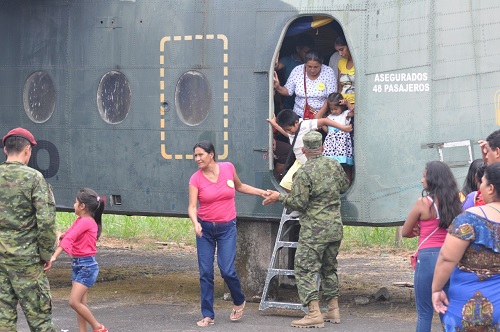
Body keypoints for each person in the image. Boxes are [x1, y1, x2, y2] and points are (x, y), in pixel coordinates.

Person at [263, 131, 350, 328]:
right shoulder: (334, 165)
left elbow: (299, 203)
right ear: (323, 148)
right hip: (335, 227)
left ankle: (313, 313)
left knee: (304, 269)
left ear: (303, 150)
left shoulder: (303, 173)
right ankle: (333, 310)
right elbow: (344, 186)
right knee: (329, 268)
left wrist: (279, 197)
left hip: (314, 231)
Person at [188, 141, 268, 327]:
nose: (197, 159)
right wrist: (195, 224)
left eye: (201, 155)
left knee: (227, 269)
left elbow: (239, 187)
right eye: (195, 156)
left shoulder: (228, 168)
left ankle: (239, 300)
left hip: (227, 228)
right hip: (205, 230)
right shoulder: (195, 179)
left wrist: (261, 192)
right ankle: (208, 315)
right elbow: (192, 207)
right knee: (205, 272)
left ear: (212, 154)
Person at [0, 127, 57, 332]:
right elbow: (46, 220)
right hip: (27, 261)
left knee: (3, 321)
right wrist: (45, 254)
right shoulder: (34, 178)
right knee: (40, 320)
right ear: (27, 150)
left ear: (6, 150)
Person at [432, 162, 500, 330]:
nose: (480, 187)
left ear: (491, 188)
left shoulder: (469, 219)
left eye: (482, 182)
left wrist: (436, 289)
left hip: (467, 307)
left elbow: (447, 258)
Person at [402, 161, 462, 332]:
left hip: (428, 258)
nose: (422, 180)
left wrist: (419, 229)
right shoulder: (456, 202)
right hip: (450, 257)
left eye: (424, 175)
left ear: (432, 179)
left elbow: (405, 232)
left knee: (424, 312)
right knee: (447, 310)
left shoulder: (423, 203)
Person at [46, 188, 108, 332]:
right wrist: (60, 235)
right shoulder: (81, 220)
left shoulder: (86, 222)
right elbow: (69, 235)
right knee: (81, 304)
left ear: (82, 206)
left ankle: (97, 327)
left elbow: (69, 238)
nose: (73, 205)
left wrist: (53, 257)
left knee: (74, 302)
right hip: (79, 264)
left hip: (87, 266)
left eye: (75, 202)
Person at [267, 109, 352, 191]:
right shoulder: (291, 132)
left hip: (312, 162)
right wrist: (275, 125)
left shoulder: (306, 124)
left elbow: (325, 121)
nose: (288, 132)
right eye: (286, 130)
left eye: (289, 129)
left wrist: (343, 128)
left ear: (296, 123)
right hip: (299, 162)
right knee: (285, 184)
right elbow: (288, 135)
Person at [274, 51, 337, 118]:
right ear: (305, 64)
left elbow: (331, 97)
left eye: (316, 67)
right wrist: (278, 87)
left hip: (322, 115)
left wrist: (319, 115)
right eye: (309, 67)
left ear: (321, 65)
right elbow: (288, 91)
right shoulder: (297, 70)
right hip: (299, 114)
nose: (312, 70)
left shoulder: (328, 72)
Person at [315, 92, 354, 182]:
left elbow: (354, 111)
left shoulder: (345, 115)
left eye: (335, 109)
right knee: (331, 167)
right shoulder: (328, 117)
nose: (333, 111)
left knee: (346, 167)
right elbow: (317, 118)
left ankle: (348, 185)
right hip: (331, 148)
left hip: (342, 147)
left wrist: (347, 103)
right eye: (331, 109)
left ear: (341, 106)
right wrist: (326, 105)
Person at [276, 34, 315, 110]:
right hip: (289, 102)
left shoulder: (315, 64)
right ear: (298, 49)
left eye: (311, 52)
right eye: (306, 52)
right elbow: (276, 67)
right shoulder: (288, 60)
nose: (309, 55)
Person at [334, 36, 355, 105]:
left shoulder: (359, 62)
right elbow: (340, 87)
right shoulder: (341, 62)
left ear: (349, 46)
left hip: (357, 104)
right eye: (338, 51)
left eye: (342, 49)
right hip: (343, 104)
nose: (340, 54)